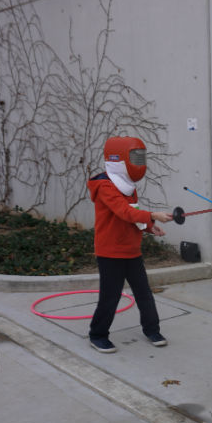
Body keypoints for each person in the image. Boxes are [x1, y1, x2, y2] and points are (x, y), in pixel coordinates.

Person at [86, 136, 173, 353]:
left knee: (143, 292)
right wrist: (153, 214)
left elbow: (133, 215)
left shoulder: (127, 185)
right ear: (119, 158)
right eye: (134, 157)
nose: (138, 162)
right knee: (110, 296)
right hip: (110, 251)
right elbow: (124, 212)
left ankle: (151, 329)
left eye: (140, 157)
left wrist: (148, 226)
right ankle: (97, 335)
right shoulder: (104, 185)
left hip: (131, 249)